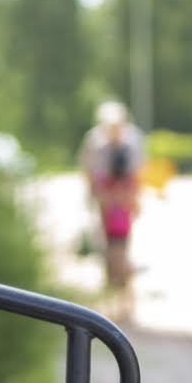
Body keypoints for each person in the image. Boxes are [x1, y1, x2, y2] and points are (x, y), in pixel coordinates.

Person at [79, 100, 143, 320]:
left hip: (121, 208)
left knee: (120, 252)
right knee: (109, 255)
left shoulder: (131, 142)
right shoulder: (96, 143)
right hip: (106, 206)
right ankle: (113, 304)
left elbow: (136, 175)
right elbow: (91, 174)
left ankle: (125, 303)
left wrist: (132, 200)